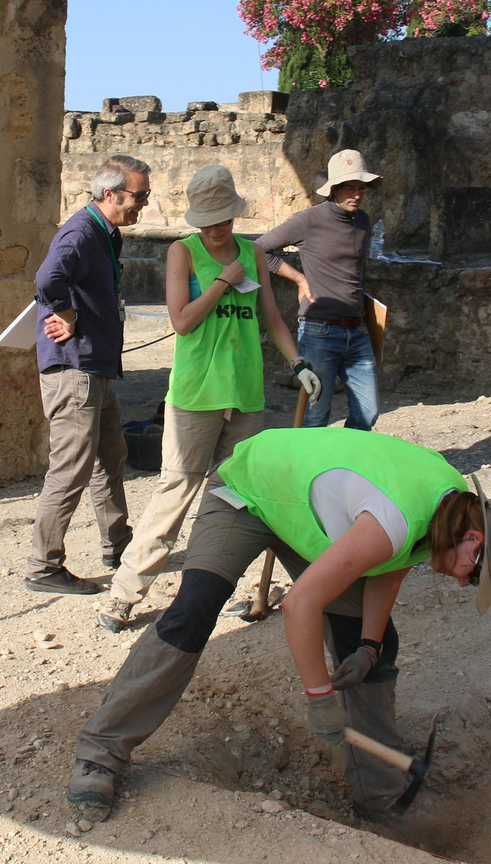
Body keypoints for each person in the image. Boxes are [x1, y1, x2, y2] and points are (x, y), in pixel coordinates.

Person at [67, 427, 491, 821]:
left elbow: (389, 567)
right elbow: (300, 606)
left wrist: (370, 646)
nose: (463, 584)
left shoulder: (446, 509)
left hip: (311, 520)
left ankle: (379, 791)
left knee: (371, 642)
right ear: (473, 538)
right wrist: (319, 698)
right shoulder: (398, 516)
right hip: (251, 492)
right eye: (474, 574)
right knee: (195, 609)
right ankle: (99, 754)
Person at [97, 165, 322, 633]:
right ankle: (124, 595)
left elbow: (272, 320)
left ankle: (215, 591)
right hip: (195, 395)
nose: (217, 229)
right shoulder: (184, 252)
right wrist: (223, 281)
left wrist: (298, 363)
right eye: (209, 221)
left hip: (245, 395)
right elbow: (181, 321)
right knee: (175, 492)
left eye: (224, 219)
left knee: (233, 500)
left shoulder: (254, 253)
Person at [25, 154, 152, 595]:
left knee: (109, 459)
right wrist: (67, 315)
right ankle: (44, 567)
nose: (144, 205)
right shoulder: (80, 232)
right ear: (111, 193)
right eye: (140, 196)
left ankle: (119, 546)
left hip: (93, 367)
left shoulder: (105, 233)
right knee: (71, 468)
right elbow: (47, 280)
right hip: (73, 369)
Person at [255, 149, 382, 430]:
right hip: (320, 330)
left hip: (357, 330)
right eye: (350, 187)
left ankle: (343, 467)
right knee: (316, 416)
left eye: (361, 187)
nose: (357, 194)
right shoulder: (309, 220)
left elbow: (356, 268)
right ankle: (312, 473)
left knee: (368, 412)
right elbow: (258, 250)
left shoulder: (362, 220)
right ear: (333, 189)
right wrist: (298, 278)